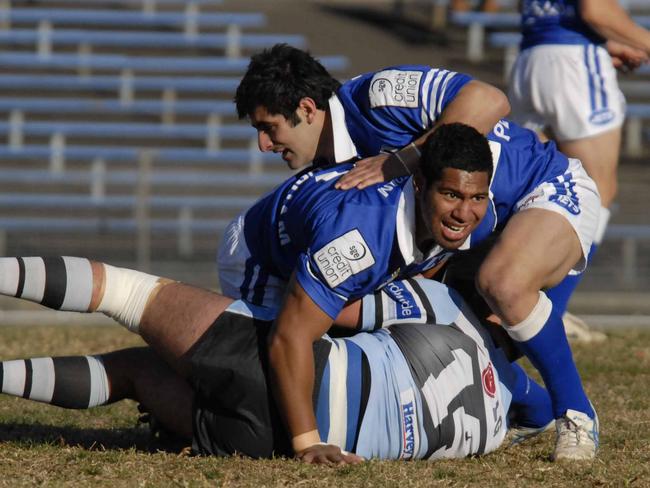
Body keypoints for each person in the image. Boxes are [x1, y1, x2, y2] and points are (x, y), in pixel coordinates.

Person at [217, 117, 601, 462]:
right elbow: (290, 336)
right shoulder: (357, 241)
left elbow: (487, 101)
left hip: (556, 186)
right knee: (261, 382)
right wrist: (308, 444)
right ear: (419, 184)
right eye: (451, 195)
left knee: (473, 300)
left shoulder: (468, 207)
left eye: (476, 198)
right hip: (261, 261)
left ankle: (566, 409)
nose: (464, 212)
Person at [0, 256, 554, 462]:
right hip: (258, 446)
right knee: (132, 372)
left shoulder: (445, 306)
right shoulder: (492, 433)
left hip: (286, 381)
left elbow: (330, 307)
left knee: (125, 292)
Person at [508, 0, 650, 339]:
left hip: (531, 57)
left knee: (529, 187)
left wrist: (603, 42)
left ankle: (512, 304)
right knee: (597, 188)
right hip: (573, 62)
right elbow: (595, 10)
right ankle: (549, 313)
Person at [234, 43, 509, 185]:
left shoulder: (377, 94)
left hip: (534, 184)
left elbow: (489, 100)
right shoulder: (331, 169)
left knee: (501, 283)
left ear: (306, 109)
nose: (263, 145)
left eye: (268, 127)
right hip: (482, 231)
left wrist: (401, 161)